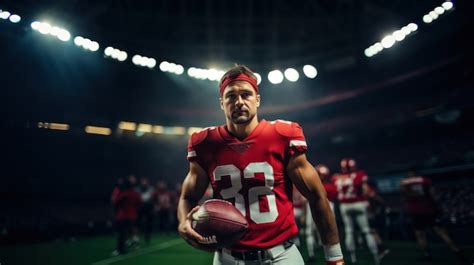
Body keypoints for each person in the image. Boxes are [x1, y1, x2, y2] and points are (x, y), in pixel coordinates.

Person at [177, 65, 344, 265]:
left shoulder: (283, 135)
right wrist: (183, 221)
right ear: (222, 103)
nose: (239, 102)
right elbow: (188, 196)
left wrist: (334, 256)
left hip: (281, 256)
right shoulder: (204, 142)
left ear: (257, 99)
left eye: (246, 94)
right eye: (231, 96)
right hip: (227, 258)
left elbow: (317, 196)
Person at [400, 171, 466, 262]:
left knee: (420, 235)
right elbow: (433, 194)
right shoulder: (425, 181)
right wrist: (437, 206)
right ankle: (457, 251)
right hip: (429, 210)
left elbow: (404, 196)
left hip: (416, 212)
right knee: (441, 232)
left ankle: (427, 255)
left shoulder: (404, 183)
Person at [332, 158, 379, 264]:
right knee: (366, 231)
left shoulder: (336, 177)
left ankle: (353, 257)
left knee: (349, 231)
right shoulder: (360, 175)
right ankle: (376, 257)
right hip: (359, 203)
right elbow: (366, 191)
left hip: (344, 205)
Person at [112, 178, 142, 255]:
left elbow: (116, 202)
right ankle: (134, 244)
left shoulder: (124, 194)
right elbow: (140, 203)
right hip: (133, 216)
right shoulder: (135, 193)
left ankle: (120, 249)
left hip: (123, 216)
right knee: (132, 231)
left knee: (122, 233)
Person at [137, 177, 155, 245]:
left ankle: (147, 237)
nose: (144, 183)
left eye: (145, 181)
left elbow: (152, 198)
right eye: (143, 181)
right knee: (138, 223)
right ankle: (136, 237)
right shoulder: (138, 189)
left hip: (149, 208)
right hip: (140, 208)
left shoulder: (151, 189)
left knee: (148, 224)